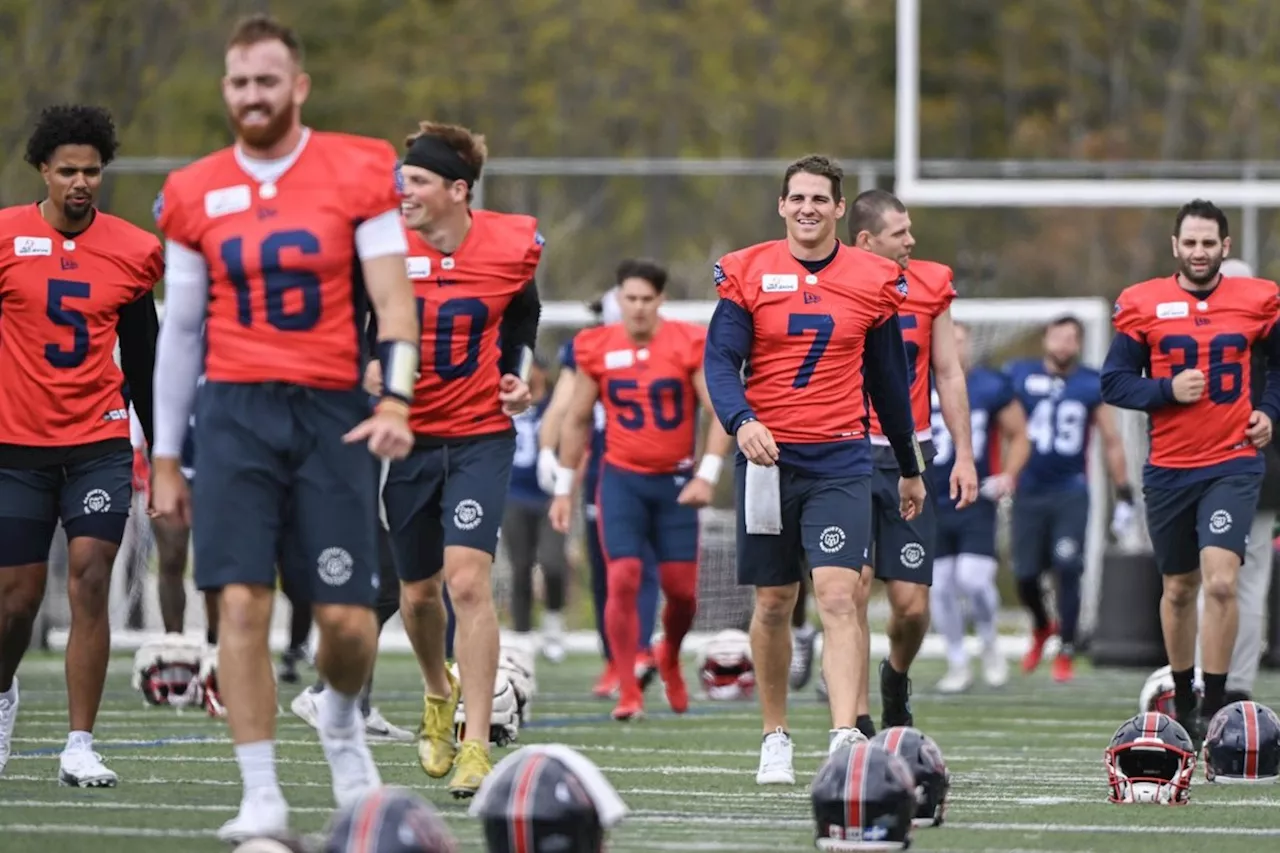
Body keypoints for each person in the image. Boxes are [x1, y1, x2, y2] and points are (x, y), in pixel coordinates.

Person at [150, 15, 418, 841]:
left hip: (331, 407)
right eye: (238, 82)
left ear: (297, 86)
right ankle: (261, 790)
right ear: (224, 90)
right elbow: (182, 329)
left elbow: (393, 301)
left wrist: (397, 399)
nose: (251, 96)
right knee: (238, 599)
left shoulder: (358, 167)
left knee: (344, 614)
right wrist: (165, 452)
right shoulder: (195, 190)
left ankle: (338, 713)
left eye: (267, 81)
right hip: (234, 410)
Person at [703, 154, 925, 786]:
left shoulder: (874, 278)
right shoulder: (749, 271)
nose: (807, 208)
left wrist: (909, 466)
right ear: (782, 205)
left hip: (840, 457)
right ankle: (775, 735)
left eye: (819, 199)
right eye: (796, 198)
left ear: (836, 208)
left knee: (837, 593)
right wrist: (742, 420)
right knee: (775, 601)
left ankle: (844, 738)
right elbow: (720, 360)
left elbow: (889, 383)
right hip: (768, 458)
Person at [0, 104, 163, 787]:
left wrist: (167, 452)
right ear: (42, 169)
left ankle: (78, 742)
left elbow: (146, 359)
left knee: (93, 573)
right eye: (68, 170)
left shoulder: (131, 249)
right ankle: (3, 692)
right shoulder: (5, 237)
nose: (81, 182)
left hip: (97, 439)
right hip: (16, 445)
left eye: (92, 171)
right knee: (15, 598)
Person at [380, 120, 542, 797]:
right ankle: (435, 692)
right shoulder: (384, 244)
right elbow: (366, 327)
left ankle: (476, 744)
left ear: (457, 189)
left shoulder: (511, 242)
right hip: (409, 437)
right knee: (417, 594)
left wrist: (518, 373)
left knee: (468, 581)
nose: (402, 190)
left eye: (416, 180)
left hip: (479, 434)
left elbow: (522, 315)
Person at [1102, 199, 1280, 747]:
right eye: (1191, 242)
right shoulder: (1143, 302)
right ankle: (1183, 698)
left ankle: (1220, 704)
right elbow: (1114, 382)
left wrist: (1268, 411)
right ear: (1175, 247)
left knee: (1223, 582)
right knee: (1179, 588)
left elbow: (1277, 369)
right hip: (1170, 467)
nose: (1199, 252)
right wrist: (1165, 390)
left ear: (1225, 248)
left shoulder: (1259, 299)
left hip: (1232, 463)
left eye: (1209, 243)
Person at [549, 258, 729, 721]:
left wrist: (706, 474)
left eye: (647, 299)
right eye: (630, 298)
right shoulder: (596, 345)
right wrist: (564, 488)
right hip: (622, 479)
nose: (638, 307)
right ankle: (629, 687)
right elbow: (577, 419)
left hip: (674, 483)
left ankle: (668, 654)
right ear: (618, 299)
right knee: (623, 577)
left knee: (682, 592)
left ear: (661, 300)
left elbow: (721, 410)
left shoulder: (686, 341)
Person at [848, 189, 978, 734]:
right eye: (900, 232)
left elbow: (947, 373)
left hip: (909, 458)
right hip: (845, 454)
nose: (911, 240)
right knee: (847, 593)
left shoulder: (929, 283)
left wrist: (964, 455)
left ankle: (895, 677)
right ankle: (853, 720)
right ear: (865, 240)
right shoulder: (833, 282)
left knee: (911, 607)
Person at [539, 293, 662, 698]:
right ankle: (616, 659)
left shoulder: (670, 343)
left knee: (643, 564)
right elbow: (562, 407)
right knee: (607, 566)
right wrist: (547, 452)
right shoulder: (587, 350)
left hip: (656, 466)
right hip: (605, 471)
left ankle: (641, 652)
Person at [1005, 315, 1133, 682]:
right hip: (1028, 489)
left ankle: (1066, 645)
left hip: (1070, 491)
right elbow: (1002, 425)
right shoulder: (1019, 376)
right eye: (1058, 336)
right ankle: (1043, 626)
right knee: (1025, 574)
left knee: (1067, 566)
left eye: (1071, 337)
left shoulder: (1090, 382)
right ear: (1045, 338)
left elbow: (1111, 440)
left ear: (1079, 344)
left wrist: (1123, 493)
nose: (1064, 343)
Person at [1197, 257, 1280, 704]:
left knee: (1212, 580)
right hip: (1242, 472)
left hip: (1214, 471)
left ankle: (1205, 678)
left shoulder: (1200, 336)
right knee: (1238, 583)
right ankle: (1232, 682)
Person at [929, 322, 1030, 692]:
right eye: (948, 341)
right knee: (939, 586)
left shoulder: (989, 386)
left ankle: (989, 643)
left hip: (973, 496)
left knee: (972, 579)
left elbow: (1020, 434)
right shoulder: (918, 383)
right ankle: (957, 662)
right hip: (929, 497)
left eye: (960, 341)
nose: (955, 348)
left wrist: (1008, 475)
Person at [504, 356, 569, 661]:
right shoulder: (506, 402)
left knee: (553, 563)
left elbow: (574, 443)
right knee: (520, 567)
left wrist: (568, 487)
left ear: (543, 371)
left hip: (550, 496)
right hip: (514, 494)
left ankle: (553, 626)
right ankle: (521, 634)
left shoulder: (555, 405)